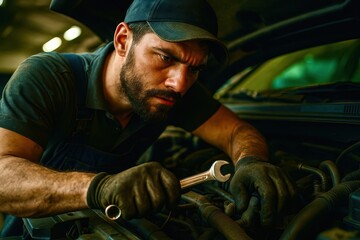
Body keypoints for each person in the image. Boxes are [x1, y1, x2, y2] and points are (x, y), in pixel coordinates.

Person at [0, 0, 296, 237]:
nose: (179, 83)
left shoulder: (172, 93)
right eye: (166, 57)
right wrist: (101, 188)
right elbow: (3, 177)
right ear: (122, 40)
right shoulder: (49, 78)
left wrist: (251, 161)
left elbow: (235, 131)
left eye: (194, 69)